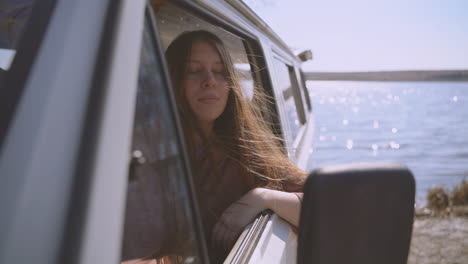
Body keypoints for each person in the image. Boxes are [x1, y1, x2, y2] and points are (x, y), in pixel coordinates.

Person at [165, 30, 307, 263]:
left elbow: (328, 203)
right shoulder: (138, 158)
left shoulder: (247, 154)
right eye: (193, 70)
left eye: (220, 71)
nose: (210, 80)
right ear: (170, 79)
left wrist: (264, 197)